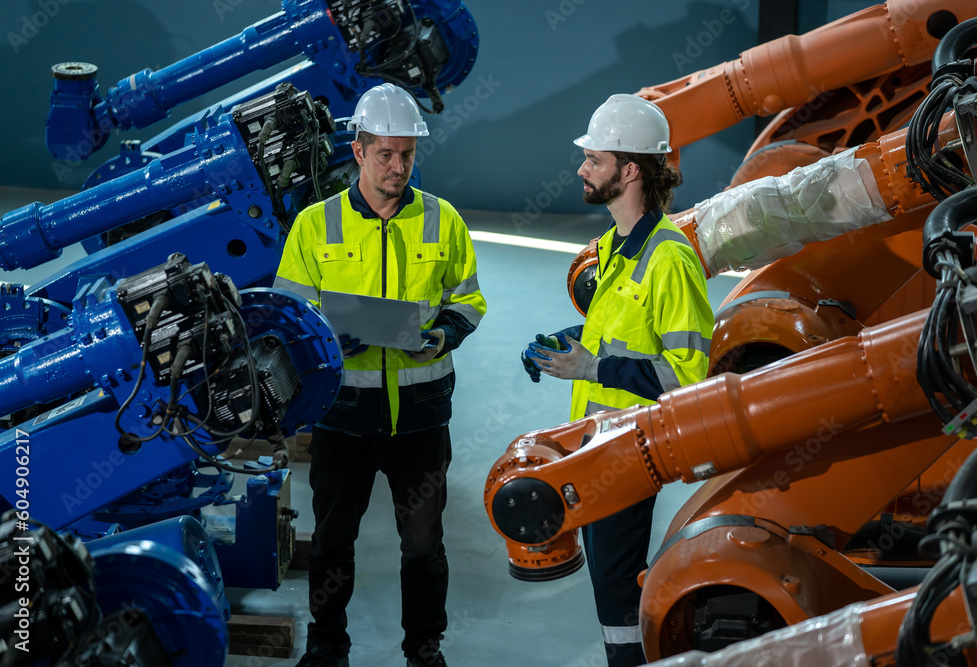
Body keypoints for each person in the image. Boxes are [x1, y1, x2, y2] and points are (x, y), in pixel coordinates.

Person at [274, 82, 486, 667]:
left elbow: (469, 301)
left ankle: (424, 649)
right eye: (386, 154)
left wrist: (444, 333)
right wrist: (324, 340)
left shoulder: (444, 221)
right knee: (334, 542)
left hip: (420, 417)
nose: (398, 167)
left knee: (423, 545)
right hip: (343, 415)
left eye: (408, 155)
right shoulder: (315, 227)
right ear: (359, 150)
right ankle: (327, 645)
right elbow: (289, 319)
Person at [521, 94, 713, 667]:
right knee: (610, 585)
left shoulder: (669, 258)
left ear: (629, 170)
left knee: (616, 590)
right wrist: (565, 343)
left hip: (630, 448)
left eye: (594, 159)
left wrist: (592, 367)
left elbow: (688, 376)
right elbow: (615, 333)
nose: (581, 168)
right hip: (597, 440)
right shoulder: (612, 247)